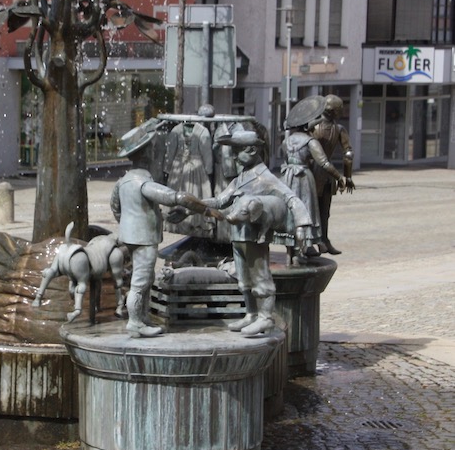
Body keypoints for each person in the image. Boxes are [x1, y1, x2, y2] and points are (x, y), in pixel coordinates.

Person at [201, 130, 313, 336]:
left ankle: (265, 318)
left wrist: (303, 224)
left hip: (254, 237)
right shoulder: (240, 178)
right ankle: (251, 314)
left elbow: (292, 198)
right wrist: (192, 204)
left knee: (260, 277)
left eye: (237, 151)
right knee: (243, 279)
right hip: (238, 236)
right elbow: (219, 201)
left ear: (252, 150)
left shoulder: (266, 178)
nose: (233, 156)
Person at [110, 120, 211, 338]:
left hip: (131, 235)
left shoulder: (124, 181)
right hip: (144, 237)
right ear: (145, 154)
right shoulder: (144, 183)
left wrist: (132, 222)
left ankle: (142, 317)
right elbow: (173, 196)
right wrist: (204, 209)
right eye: (151, 149)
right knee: (141, 279)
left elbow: (116, 208)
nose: (155, 152)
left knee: (143, 277)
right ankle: (135, 321)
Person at [278, 95, 347, 261]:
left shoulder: (286, 141)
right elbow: (323, 162)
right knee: (309, 212)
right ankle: (305, 246)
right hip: (305, 177)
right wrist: (340, 177)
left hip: (288, 176)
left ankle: (293, 251)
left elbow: (286, 158)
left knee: (293, 212)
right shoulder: (310, 141)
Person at [310, 94, 355, 255]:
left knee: (320, 211)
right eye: (339, 110)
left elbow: (348, 153)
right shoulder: (319, 127)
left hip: (319, 173)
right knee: (316, 210)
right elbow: (348, 154)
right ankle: (316, 241)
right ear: (333, 111)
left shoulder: (314, 127)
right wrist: (347, 176)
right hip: (319, 173)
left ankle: (323, 240)